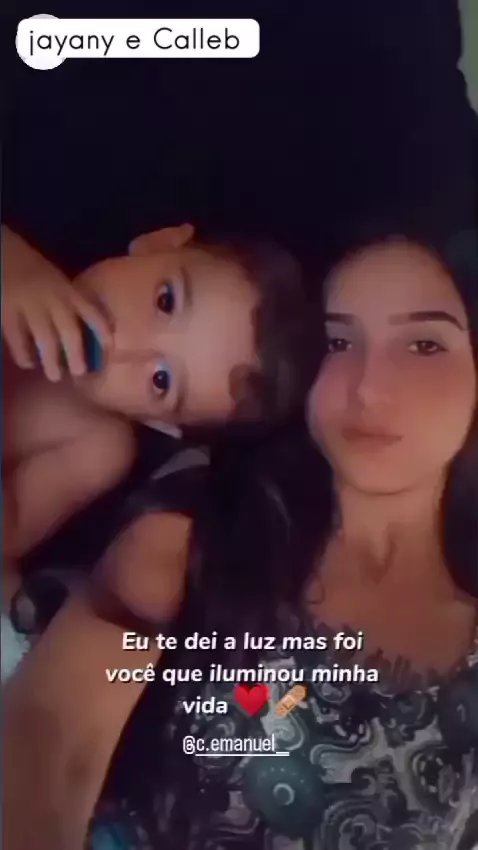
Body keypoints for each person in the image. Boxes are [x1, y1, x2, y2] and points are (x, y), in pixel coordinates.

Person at [4, 232, 478, 850]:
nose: (370, 387)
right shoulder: (203, 538)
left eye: (424, 344)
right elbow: (48, 744)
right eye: (338, 342)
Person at [2, 223, 314, 577]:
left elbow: (10, 531)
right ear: (158, 242)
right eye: (165, 301)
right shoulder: (23, 266)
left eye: (161, 380)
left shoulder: (97, 448)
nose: (125, 345)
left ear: (159, 422)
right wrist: (16, 272)